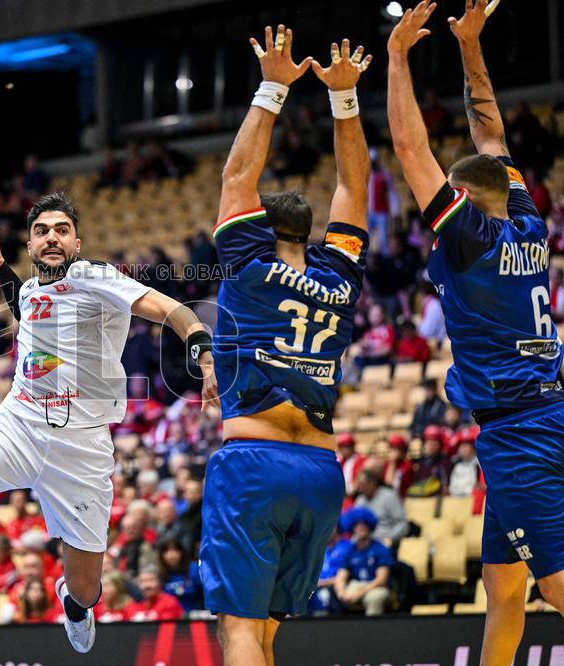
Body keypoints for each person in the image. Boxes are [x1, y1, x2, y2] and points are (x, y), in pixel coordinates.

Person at [0, 192, 218, 654]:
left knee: (86, 590)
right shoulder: (29, 289)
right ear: (31, 245)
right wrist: (0, 267)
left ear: (77, 243)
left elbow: (172, 310)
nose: (52, 238)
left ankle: (73, 604)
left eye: (62, 230)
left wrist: (203, 353)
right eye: (42, 231)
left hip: (81, 448)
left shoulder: (95, 277)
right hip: (20, 425)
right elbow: (26, 311)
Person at [387, 2, 564, 661]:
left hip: (517, 431)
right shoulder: (526, 220)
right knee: (505, 589)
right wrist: (468, 46)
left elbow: (410, 149)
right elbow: (490, 137)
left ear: (465, 201)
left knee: (553, 585)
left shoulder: (472, 236)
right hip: (542, 411)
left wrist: (399, 56)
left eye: (450, 197)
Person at [203, 25, 372, 666]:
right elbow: (353, 189)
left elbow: (237, 170)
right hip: (322, 473)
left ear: (259, 226)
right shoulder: (340, 274)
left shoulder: (246, 262)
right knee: (268, 635)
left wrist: (274, 85)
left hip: (254, 462)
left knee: (239, 633)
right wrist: (345, 100)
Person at [334, 508, 392, 616]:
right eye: (357, 525)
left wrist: (359, 594)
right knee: (341, 595)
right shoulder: (350, 550)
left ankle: (371, 631)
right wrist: (341, 591)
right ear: (352, 528)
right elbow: (341, 575)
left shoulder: (380, 549)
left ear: (369, 526)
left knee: (374, 598)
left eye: (364, 524)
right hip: (357, 584)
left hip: (376, 586)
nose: (360, 528)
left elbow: (381, 580)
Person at [354, 470, 408, 545]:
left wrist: (390, 538)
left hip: (385, 541)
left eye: (363, 484)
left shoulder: (389, 496)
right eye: (359, 485)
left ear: (373, 483)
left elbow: (402, 525)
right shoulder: (360, 500)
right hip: (364, 543)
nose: (360, 489)